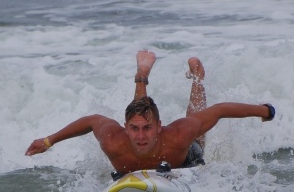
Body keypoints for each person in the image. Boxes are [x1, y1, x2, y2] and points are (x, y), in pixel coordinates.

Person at [25, 50, 275, 176]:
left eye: (147, 128)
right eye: (134, 129)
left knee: (197, 132)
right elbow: (91, 121)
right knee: (141, 112)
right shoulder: (113, 141)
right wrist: (48, 141)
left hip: (184, 162)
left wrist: (265, 111)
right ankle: (141, 76)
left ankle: (197, 78)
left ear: (159, 127)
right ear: (125, 129)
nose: (141, 135)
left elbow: (219, 111)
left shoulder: (178, 136)